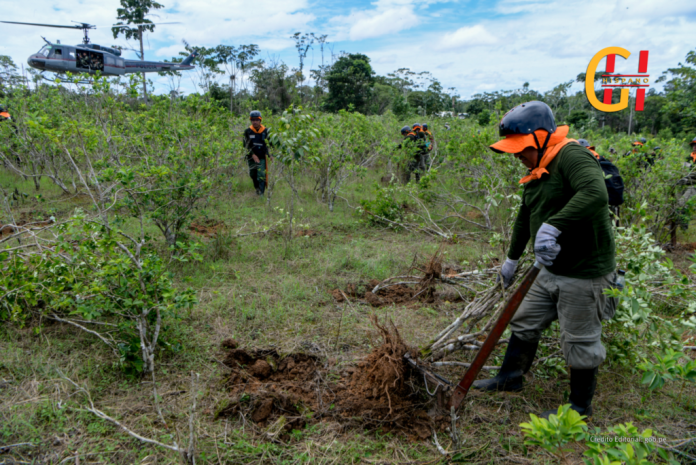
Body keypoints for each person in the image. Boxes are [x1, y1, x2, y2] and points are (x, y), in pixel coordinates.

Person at [474, 101, 617, 419]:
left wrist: (554, 226)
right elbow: (526, 216)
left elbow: (595, 193)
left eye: (521, 147)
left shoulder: (570, 155)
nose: (517, 155)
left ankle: (580, 407)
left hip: (584, 272)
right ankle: (510, 378)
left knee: (580, 338)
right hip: (549, 269)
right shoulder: (537, 169)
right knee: (523, 319)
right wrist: (511, 259)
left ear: (541, 137)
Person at [242, 110, 271, 195]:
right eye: (253, 120)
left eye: (256, 120)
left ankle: (261, 194)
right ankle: (257, 189)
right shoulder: (247, 131)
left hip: (262, 156)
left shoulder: (266, 131)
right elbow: (245, 146)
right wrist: (253, 155)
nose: (255, 122)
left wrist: (270, 155)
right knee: (253, 174)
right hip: (251, 157)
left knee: (261, 175)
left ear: (260, 120)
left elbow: (269, 144)